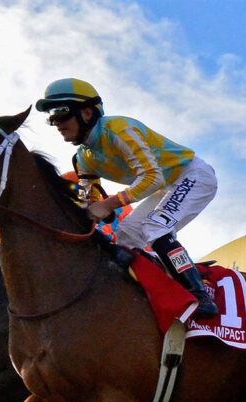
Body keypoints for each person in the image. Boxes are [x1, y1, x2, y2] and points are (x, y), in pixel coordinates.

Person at [36, 78, 218, 316]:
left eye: (61, 113)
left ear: (88, 112)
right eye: (50, 116)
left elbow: (152, 177)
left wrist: (110, 204)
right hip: (167, 186)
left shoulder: (118, 129)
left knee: (156, 226)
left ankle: (199, 295)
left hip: (193, 174)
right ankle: (159, 284)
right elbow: (87, 202)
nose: (56, 123)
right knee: (126, 236)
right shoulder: (82, 159)